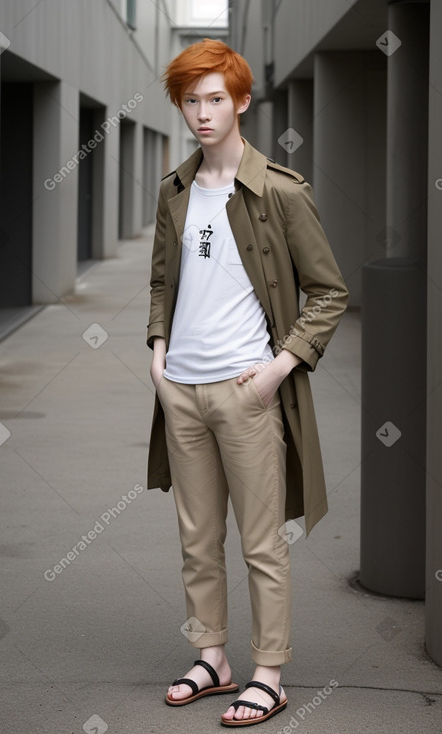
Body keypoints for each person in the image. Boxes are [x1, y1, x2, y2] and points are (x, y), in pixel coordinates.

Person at [146, 38, 349, 727]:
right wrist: (157, 350)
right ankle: (212, 658)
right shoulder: (173, 191)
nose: (202, 114)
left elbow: (328, 292)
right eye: (190, 101)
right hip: (181, 389)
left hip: (245, 391)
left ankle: (268, 672)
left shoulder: (279, 192)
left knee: (261, 541)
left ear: (240, 101)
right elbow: (161, 281)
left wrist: (276, 370)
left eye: (214, 99)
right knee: (197, 539)